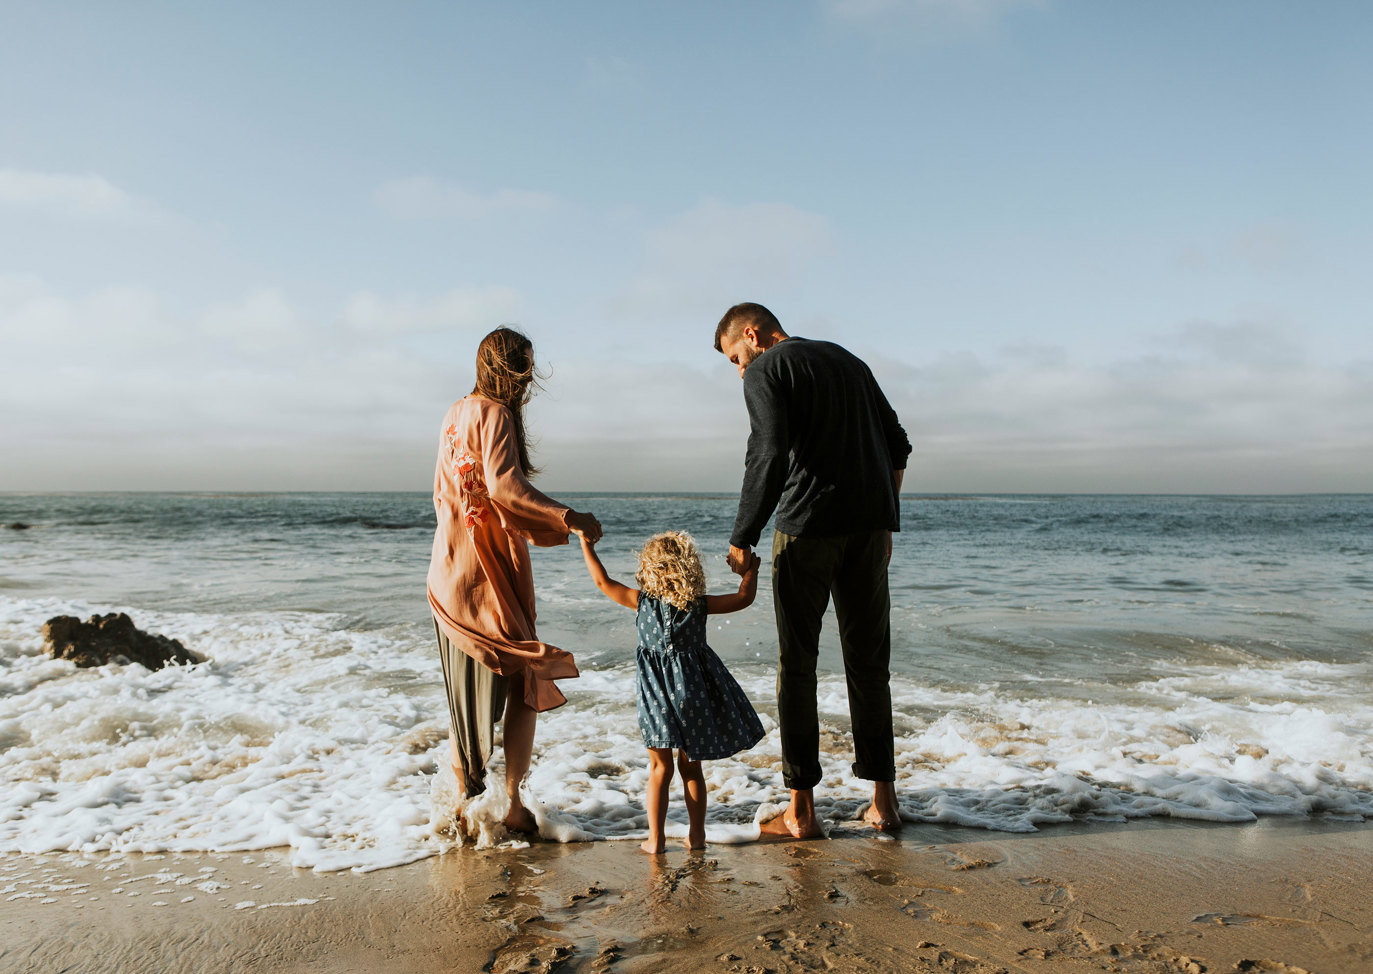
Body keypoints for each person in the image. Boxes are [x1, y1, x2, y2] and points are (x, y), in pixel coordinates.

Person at [713, 302, 911, 838]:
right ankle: (884, 804)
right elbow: (898, 444)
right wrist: (885, 520)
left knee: (797, 668)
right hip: (870, 532)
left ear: (752, 335)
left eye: (735, 357)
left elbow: (768, 451)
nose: (739, 370)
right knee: (870, 668)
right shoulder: (849, 361)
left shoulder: (766, 369)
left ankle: (801, 812)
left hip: (806, 530)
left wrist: (743, 534)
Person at [427, 326, 602, 835]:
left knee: (468, 695)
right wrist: (567, 517)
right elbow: (505, 486)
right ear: (512, 371)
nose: (527, 385)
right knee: (525, 678)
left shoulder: (454, 413)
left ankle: (463, 806)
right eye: (525, 371)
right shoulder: (496, 413)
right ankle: (513, 804)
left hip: (447, 570)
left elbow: (444, 495)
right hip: (490, 574)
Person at [580, 531, 766, 854]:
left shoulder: (641, 601)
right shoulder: (698, 605)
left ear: (649, 569)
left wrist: (586, 545)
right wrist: (752, 571)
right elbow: (743, 599)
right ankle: (696, 837)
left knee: (659, 769)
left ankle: (656, 840)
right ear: (690, 569)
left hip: (656, 699)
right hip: (693, 697)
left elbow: (601, 582)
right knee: (691, 768)